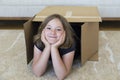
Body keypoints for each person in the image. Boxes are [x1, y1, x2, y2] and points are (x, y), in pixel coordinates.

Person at [32, 14, 78, 80]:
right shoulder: (39, 42)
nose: (53, 32)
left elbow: (61, 76)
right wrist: (47, 47)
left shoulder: (70, 43)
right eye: (49, 28)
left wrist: (54, 48)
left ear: (65, 33)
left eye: (58, 29)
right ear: (43, 30)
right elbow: (37, 72)